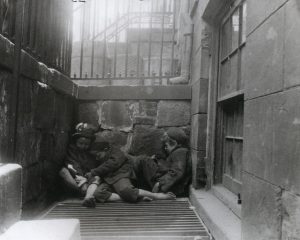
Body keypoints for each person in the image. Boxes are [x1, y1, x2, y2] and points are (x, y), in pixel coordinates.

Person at [84, 142, 176, 207]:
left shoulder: (116, 152)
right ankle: (139, 197)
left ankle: (156, 196)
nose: (96, 158)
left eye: (98, 155)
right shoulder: (100, 160)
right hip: (108, 179)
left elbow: (113, 163)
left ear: (105, 150)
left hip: (120, 174)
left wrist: (93, 172)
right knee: (98, 194)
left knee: (126, 190)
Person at [126, 127, 191, 197]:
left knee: (143, 160)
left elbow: (177, 171)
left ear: (174, 143)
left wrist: (160, 183)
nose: (165, 148)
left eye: (166, 145)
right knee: (143, 161)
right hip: (163, 181)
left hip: (164, 185)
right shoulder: (177, 152)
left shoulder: (180, 151)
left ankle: (127, 161)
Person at [59, 123, 101, 207]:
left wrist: (89, 176)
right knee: (63, 171)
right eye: (80, 143)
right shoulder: (72, 151)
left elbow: (92, 168)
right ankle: (84, 192)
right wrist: (82, 181)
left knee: (97, 178)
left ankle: (88, 198)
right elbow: (72, 166)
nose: (83, 146)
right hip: (76, 178)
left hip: (87, 178)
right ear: (76, 142)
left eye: (86, 144)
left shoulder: (90, 154)